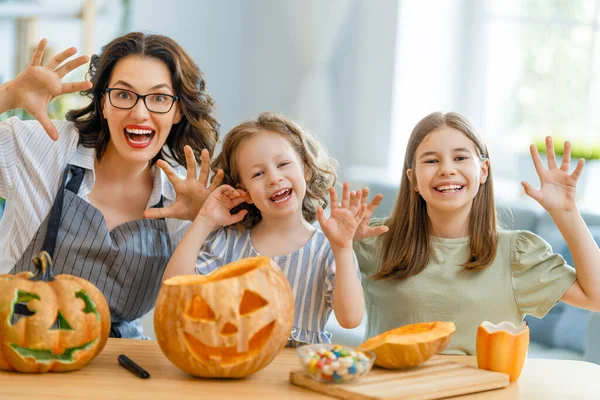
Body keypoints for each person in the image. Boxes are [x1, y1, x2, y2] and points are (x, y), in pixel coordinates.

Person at [0, 32, 223, 338]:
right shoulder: (46, 147)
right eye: (124, 94)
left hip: (119, 360)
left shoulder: (182, 197)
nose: (140, 113)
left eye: (159, 98)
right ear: (103, 102)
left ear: (177, 111)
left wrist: (204, 224)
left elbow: (196, 316)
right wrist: (8, 95)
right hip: (14, 344)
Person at [353, 111, 600, 355]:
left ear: (483, 171)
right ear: (413, 179)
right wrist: (343, 244)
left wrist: (566, 212)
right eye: (431, 160)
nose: (447, 169)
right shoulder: (374, 240)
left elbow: (595, 298)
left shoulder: (517, 255)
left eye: (460, 158)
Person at [162, 112, 365, 346]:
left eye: (283, 164)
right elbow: (174, 289)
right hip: (237, 373)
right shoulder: (229, 242)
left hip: (297, 374)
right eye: (258, 174)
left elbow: (350, 319)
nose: (274, 178)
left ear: (306, 170)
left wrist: (342, 249)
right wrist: (204, 220)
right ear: (243, 189)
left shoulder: (329, 249)